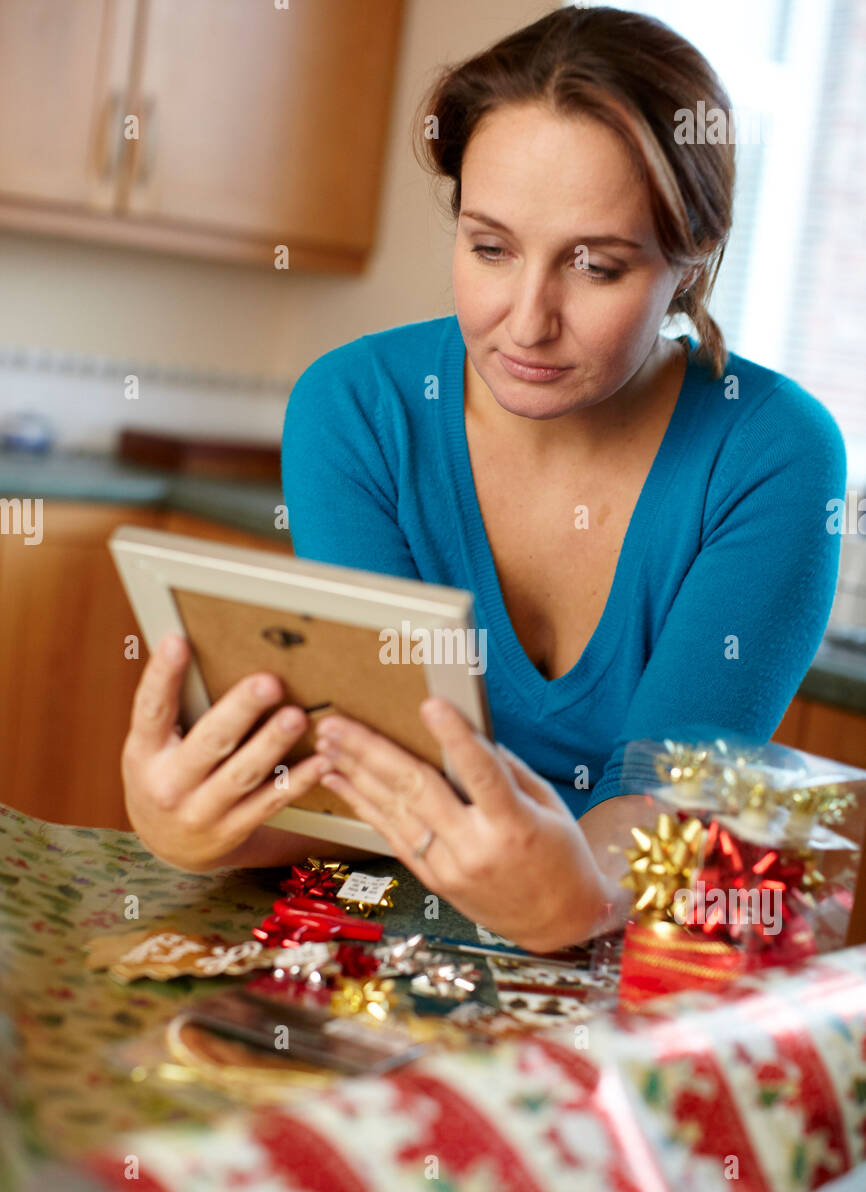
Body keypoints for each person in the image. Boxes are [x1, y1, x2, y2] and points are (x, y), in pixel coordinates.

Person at [121, 6, 845, 950]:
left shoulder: (775, 455)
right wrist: (202, 824)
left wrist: (575, 900)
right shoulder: (359, 409)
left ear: (690, 263)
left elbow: (669, 806)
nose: (528, 321)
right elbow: (374, 767)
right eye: (490, 248)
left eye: (597, 266)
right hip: (383, 947)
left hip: (644, 975)